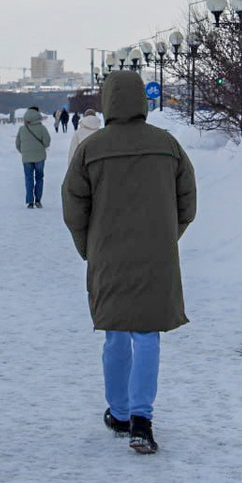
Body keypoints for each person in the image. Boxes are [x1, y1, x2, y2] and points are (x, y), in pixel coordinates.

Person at [61, 72, 197, 454]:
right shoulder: (166, 145)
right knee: (148, 334)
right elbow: (187, 200)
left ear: (107, 101)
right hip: (157, 255)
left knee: (115, 333)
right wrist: (167, 237)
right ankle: (142, 419)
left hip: (109, 254)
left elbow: (73, 206)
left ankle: (119, 413)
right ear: (141, 101)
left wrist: (89, 245)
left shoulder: (92, 147)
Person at [15, 106, 51, 208]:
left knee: (28, 178)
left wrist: (24, 152)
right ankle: (38, 200)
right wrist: (41, 147)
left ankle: (30, 202)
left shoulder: (22, 129)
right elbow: (47, 142)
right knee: (39, 178)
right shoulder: (42, 128)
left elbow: (17, 144)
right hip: (40, 157)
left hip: (26, 158)